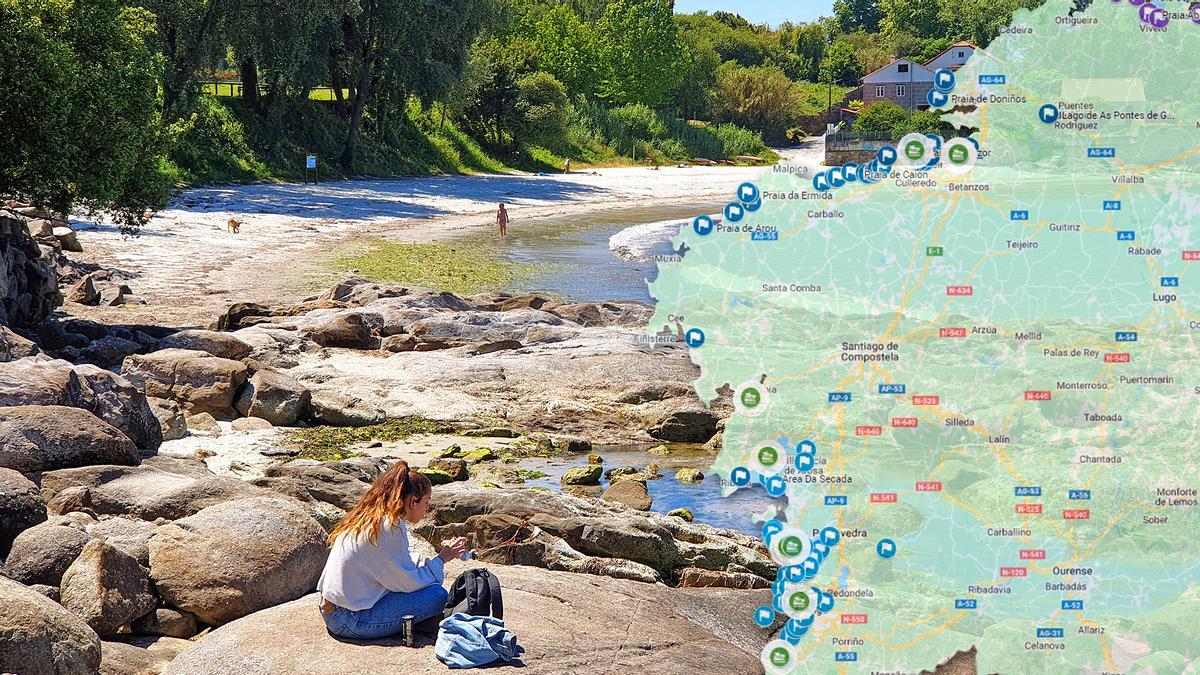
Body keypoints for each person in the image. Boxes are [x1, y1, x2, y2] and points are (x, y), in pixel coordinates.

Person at [317, 461, 470, 640]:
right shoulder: (389, 528)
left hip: (333, 607)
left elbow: (394, 563)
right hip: (349, 619)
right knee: (436, 595)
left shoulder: (373, 516)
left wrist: (427, 562)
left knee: (426, 586)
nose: (427, 509)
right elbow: (407, 583)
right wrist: (442, 559)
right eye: (426, 502)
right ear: (413, 501)